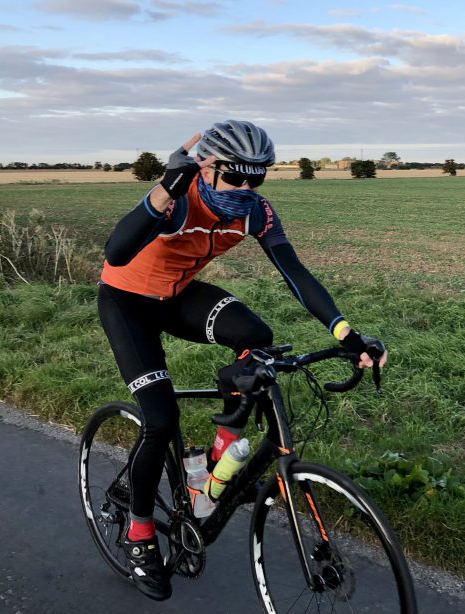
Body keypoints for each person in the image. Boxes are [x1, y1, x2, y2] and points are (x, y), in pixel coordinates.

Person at [96, 120, 386, 601]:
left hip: (177, 295)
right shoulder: (180, 197)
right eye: (235, 177)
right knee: (161, 419)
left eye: (258, 178)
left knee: (257, 342)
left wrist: (348, 335)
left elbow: (296, 274)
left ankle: (216, 459)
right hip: (126, 301)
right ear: (206, 168)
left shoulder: (256, 213)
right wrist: (166, 185)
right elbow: (117, 250)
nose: (247, 188)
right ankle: (139, 535)